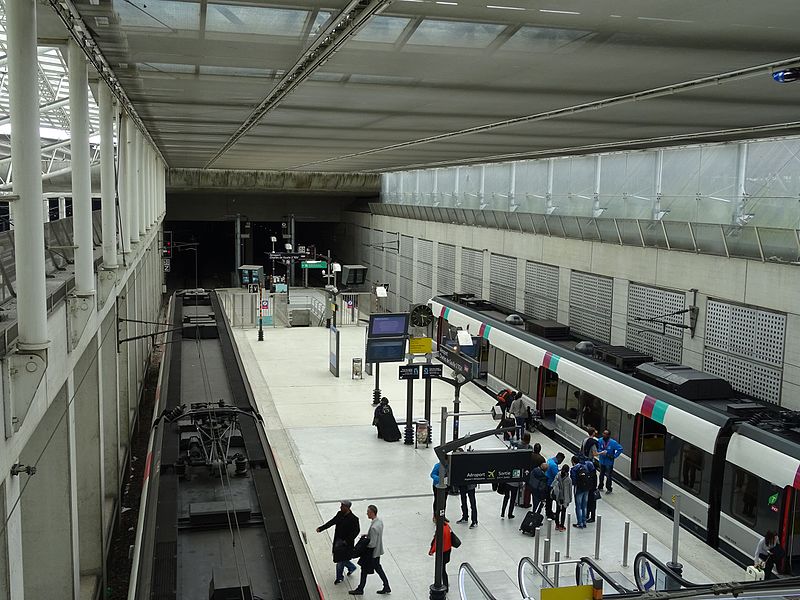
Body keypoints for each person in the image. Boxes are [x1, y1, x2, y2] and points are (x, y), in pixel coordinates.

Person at [350, 505, 391, 595]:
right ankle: (386, 586)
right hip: (377, 551)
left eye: (368, 512)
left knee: (364, 570)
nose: (367, 513)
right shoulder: (379, 522)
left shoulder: (373, 527)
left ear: (372, 512)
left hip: (371, 553)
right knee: (378, 568)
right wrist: (368, 535)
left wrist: (363, 543)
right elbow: (375, 536)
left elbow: (372, 543)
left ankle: (360, 589)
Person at [317, 500, 360, 584]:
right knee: (341, 559)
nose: (340, 507)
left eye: (342, 506)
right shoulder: (339, 514)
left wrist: (347, 541)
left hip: (346, 544)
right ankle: (352, 567)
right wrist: (321, 528)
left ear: (347, 508)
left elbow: (356, 531)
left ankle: (339, 577)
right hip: (338, 541)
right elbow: (332, 522)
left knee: (340, 561)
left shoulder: (354, 519)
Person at [429, 518, 459, 590]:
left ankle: (445, 585)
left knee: (442, 570)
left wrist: (431, 551)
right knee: (443, 568)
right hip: (448, 550)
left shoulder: (440, 530)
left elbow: (436, 542)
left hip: (442, 552)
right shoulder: (447, 526)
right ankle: (445, 584)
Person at [570, 455, 595, 528]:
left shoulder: (574, 469)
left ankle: (579, 523)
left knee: (578, 506)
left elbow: (573, 481)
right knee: (584, 505)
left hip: (579, 489)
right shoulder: (585, 466)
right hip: (587, 488)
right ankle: (584, 521)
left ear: (573, 462)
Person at [551, 464, 573, 531]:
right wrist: (570, 499)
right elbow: (569, 490)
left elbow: (553, 484)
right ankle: (562, 526)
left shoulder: (558, 475)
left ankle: (557, 525)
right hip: (565, 498)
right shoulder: (568, 479)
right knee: (563, 511)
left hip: (558, 496)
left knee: (557, 511)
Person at [544, 453, 565, 518]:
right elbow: (557, 476)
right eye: (561, 461)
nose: (560, 462)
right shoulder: (554, 465)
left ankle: (548, 511)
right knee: (550, 500)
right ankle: (549, 513)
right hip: (550, 484)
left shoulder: (550, 460)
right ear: (559, 458)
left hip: (546, 481)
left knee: (548, 500)